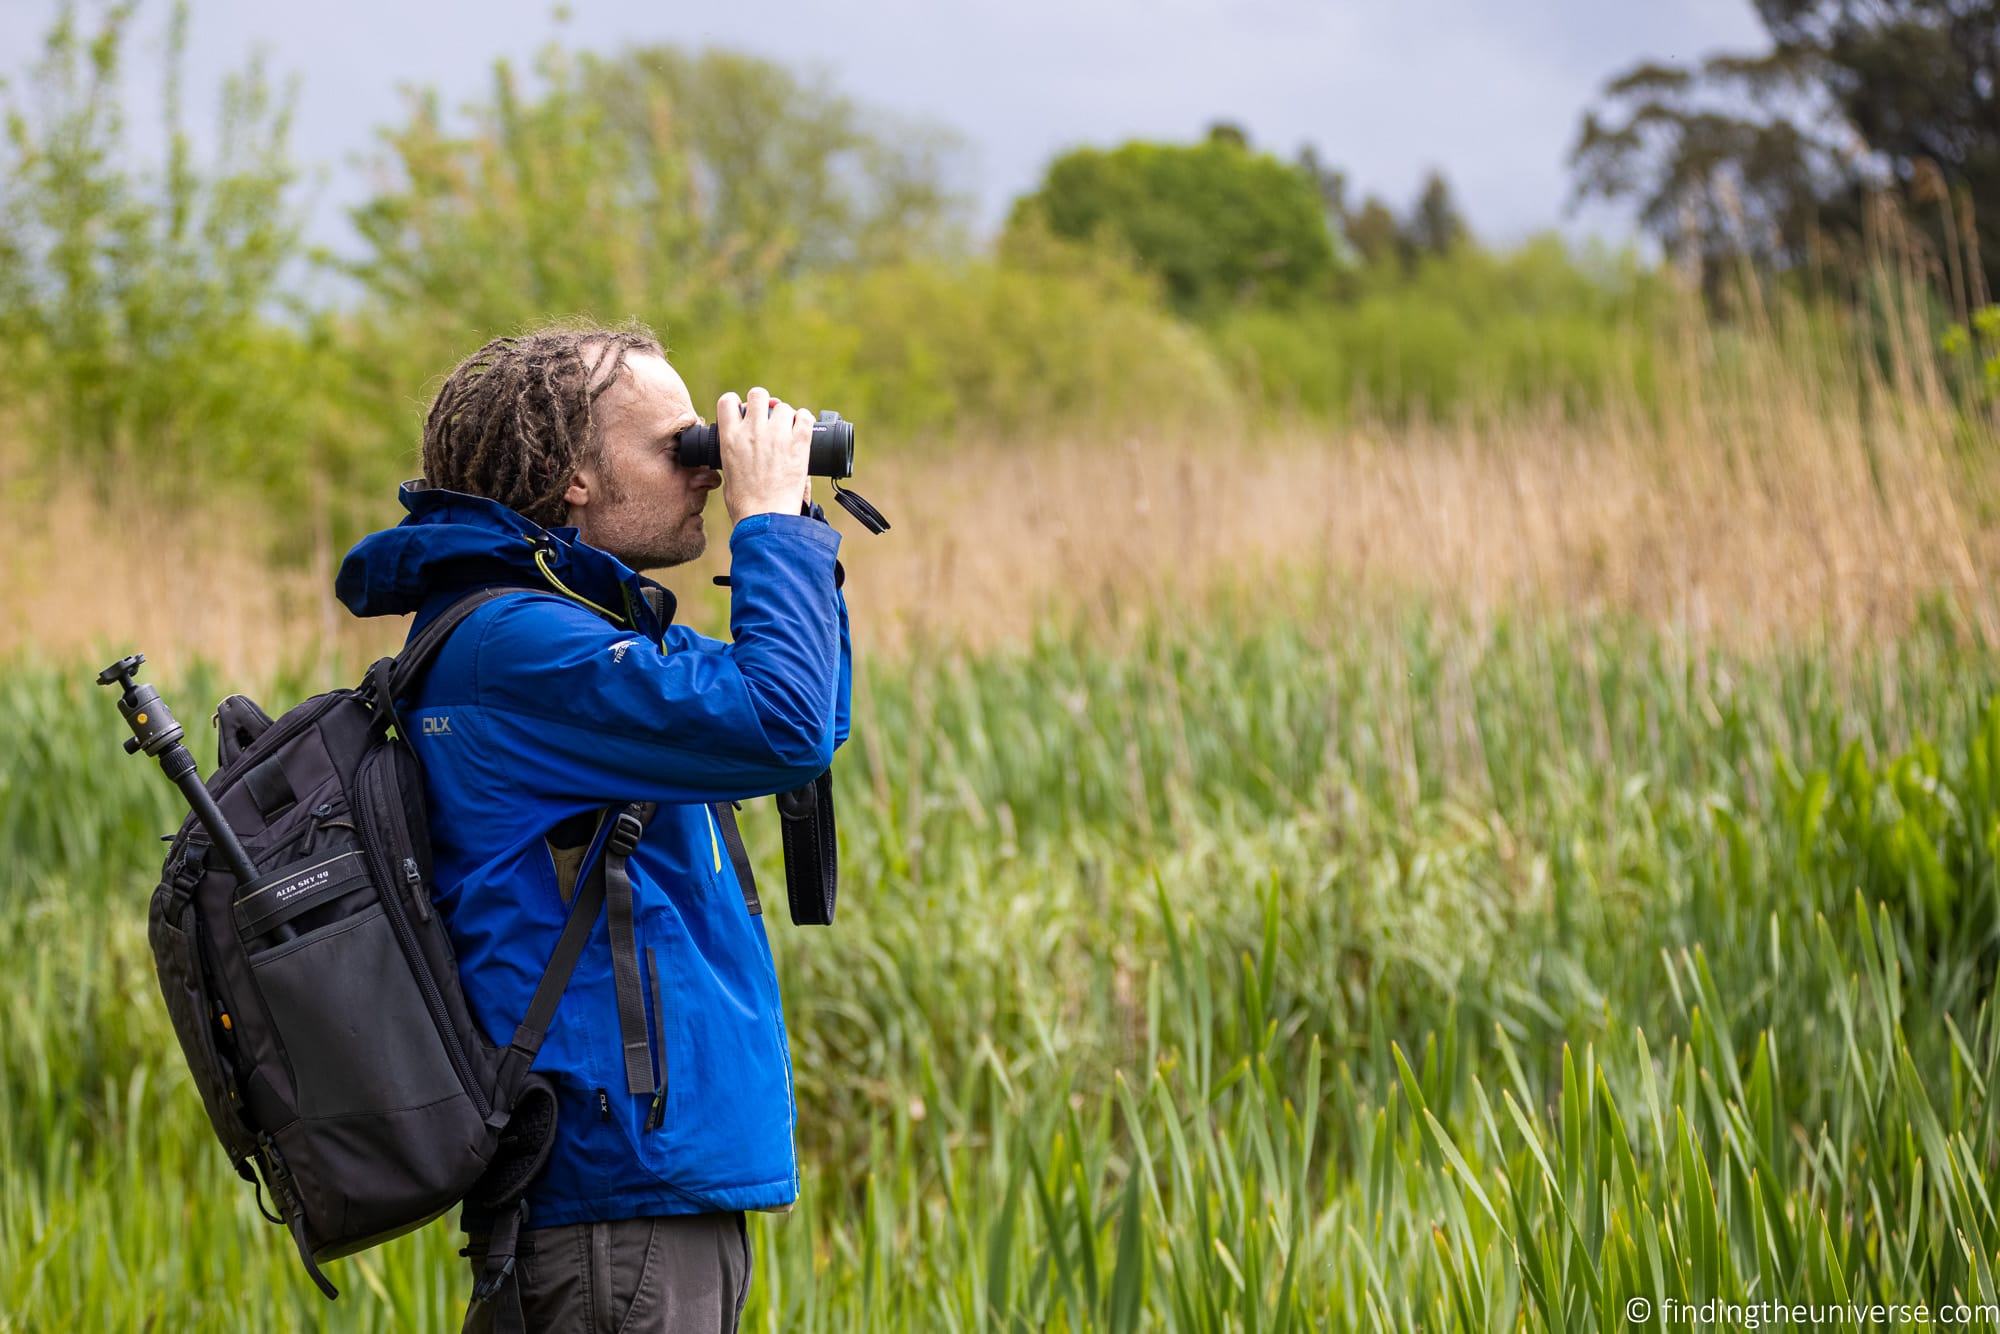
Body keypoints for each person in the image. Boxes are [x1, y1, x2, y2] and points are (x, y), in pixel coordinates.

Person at [334, 324, 851, 1332]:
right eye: (679, 447)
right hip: (613, 1200)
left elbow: (804, 719)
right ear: (572, 477)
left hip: (637, 1195)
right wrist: (769, 527)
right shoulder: (518, 645)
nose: (705, 471)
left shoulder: (559, 633)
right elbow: (778, 725)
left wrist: (791, 536)